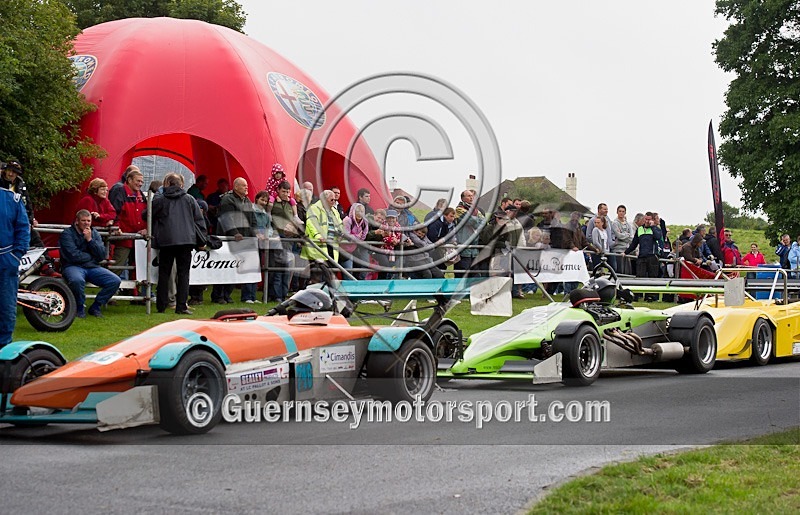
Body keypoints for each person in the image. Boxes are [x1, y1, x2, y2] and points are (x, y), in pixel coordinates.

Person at [151, 173, 206, 314]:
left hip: (166, 240)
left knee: (164, 273)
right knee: (183, 274)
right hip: (186, 240)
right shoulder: (189, 199)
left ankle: (161, 305)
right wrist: (201, 241)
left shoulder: (160, 200)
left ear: (167, 184)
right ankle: (181, 306)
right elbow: (199, 220)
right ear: (181, 184)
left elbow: (147, 215)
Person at [60, 210, 121, 318]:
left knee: (114, 280)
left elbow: (101, 255)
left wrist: (90, 240)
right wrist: (92, 257)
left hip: (92, 267)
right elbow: (73, 255)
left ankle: (96, 306)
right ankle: (79, 307)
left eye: (88, 221)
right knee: (77, 280)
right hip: (72, 266)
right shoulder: (67, 234)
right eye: (83, 220)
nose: (86, 223)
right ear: (77, 221)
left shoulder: (94, 233)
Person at [213, 177, 256, 304]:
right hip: (228, 240)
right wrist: (234, 233)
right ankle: (218, 295)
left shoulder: (247, 201)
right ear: (236, 187)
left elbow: (252, 218)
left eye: (246, 185)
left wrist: (255, 233)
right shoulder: (228, 199)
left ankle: (227, 294)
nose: (246, 187)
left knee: (235, 268)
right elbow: (227, 218)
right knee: (224, 268)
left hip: (243, 239)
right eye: (243, 185)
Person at [0, 185, 29, 347]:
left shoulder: (12, 199)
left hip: (6, 259)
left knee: (6, 306)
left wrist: (15, 256)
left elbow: (23, 228)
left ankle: (4, 348)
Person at [109, 168, 147, 278]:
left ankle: (134, 288)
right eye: (138, 181)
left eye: (142, 181)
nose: (140, 184)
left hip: (138, 239)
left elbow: (146, 215)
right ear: (129, 180)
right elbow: (114, 212)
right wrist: (116, 227)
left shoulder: (140, 195)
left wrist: (146, 228)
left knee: (137, 269)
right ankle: (109, 285)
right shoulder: (120, 192)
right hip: (124, 238)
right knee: (117, 266)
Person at [269, 181, 300, 302]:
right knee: (277, 268)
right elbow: (268, 217)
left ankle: (283, 294)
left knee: (288, 268)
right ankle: (276, 295)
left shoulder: (291, 204)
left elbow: (295, 220)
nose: (286, 194)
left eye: (288, 191)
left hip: (289, 239)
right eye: (283, 191)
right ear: (278, 190)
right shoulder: (273, 202)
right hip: (277, 237)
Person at [301, 189, 343, 265]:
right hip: (317, 247)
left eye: (335, 200)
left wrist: (340, 235)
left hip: (331, 246)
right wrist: (318, 236)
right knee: (318, 271)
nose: (334, 202)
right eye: (332, 200)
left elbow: (340, 225)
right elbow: (311, 224)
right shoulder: (314, 208)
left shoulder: (335, 211)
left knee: (331, 270)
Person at [454, 189, 484, 274]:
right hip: (463, 249)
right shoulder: (459, 209)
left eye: (472, 196)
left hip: (474, 250)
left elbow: (483, 222)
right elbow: (471, 221)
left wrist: (475, 220)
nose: (471, 198)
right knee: (462, 275)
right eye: (468, 196)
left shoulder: (476, 210)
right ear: (463, 198)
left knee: (475, 276)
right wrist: (477, 220)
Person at [341, 203, 369, 278]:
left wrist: (354, 237)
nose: (359, 213)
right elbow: (346, 235)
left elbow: (363, 236)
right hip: (343, 249)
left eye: (362, 211)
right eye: (358, 211)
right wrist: (357, 236)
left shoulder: (364, 222)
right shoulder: (347, 220)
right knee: (348, 270)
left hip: (354, 248)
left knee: (358, 268)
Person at [610, 205, 634, 275]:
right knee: (619, 271)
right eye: (620, 211)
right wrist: (627, 235)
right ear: (617, 212)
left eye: (623, 211)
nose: (621, 213)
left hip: (626, 249)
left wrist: (624, 235)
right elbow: (619, 236)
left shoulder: (628, 224)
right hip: (618, 249)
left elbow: (631, 237)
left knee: (627, 272)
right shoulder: (615, 223)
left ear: (625, 213)